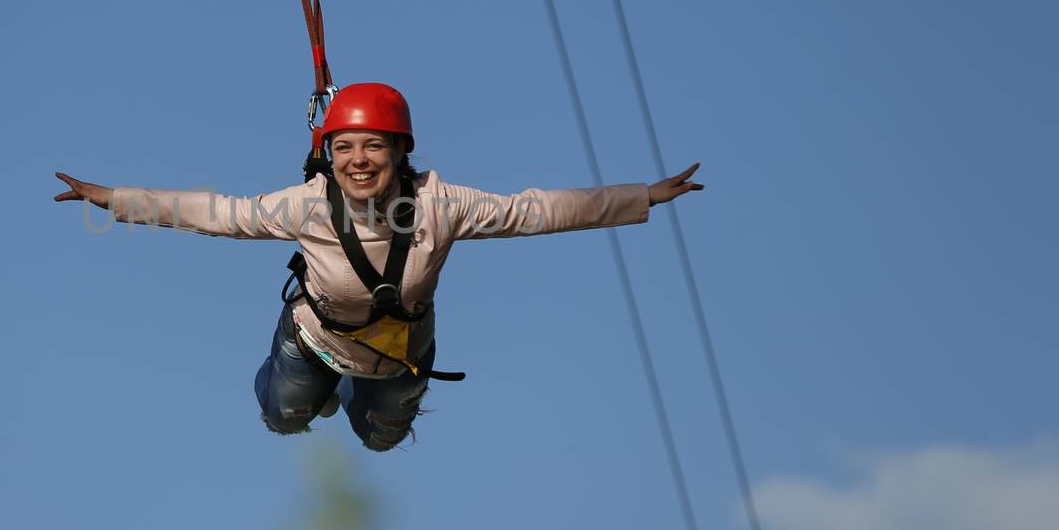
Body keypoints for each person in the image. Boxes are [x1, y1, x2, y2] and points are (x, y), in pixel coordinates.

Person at [54, 83, 703, 452]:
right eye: (343, 147)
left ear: (401, 151)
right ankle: (315, 391)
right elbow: (218, 212)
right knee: (284, 415)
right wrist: (114, 200)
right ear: (328, 155)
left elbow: (538, 210)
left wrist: (640, 195)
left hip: (399, 353)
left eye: (373, 145)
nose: (358, 158)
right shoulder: (307, 205)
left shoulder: (441, 206)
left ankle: (360, 404)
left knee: (383, 439)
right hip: (317, 338)